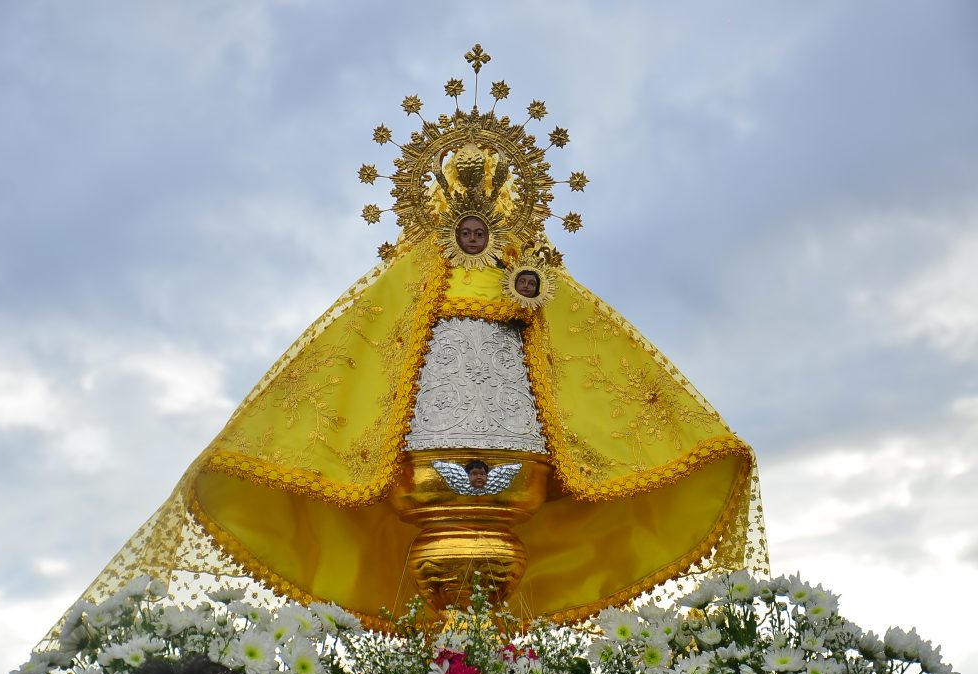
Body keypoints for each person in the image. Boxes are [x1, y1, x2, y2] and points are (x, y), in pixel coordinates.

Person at [41, 45, 767, 642]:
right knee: (441, 542)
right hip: (431, 431)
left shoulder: (529, 276)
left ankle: (480, 639)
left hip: (513, 433)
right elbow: (368, 346)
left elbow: (573, 341)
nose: (474, 226)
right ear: (446, 203)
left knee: (496, 540)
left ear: (504, 205)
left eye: (486, 211)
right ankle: (446, 637)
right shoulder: (409, 285)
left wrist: (528, 300)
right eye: (465, 208)